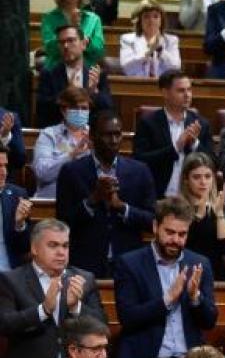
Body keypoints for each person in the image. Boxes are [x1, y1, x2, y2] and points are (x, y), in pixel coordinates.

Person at [113, 197, 217, 358]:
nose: (175, 240)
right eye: (169, 232)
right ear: (155, 227)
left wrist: (195, 298)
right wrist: (167, 299)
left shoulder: (199, 264)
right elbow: (127, 317)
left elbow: (209, 321)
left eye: (182, 234)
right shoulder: (130, 263)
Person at [0, 219, 105, 358]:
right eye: (53, 245)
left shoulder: (85, 279)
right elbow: (5, 324)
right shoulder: (11, 280)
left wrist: (76, 307)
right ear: (34, 248)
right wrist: (43, 310)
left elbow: (102, 327)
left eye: (65, 246)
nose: (61, 252)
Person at [56, 111, 155, 278]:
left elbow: (152, 221)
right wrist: (92, 200)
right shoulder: (71, 172)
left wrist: (122, 207)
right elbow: (62, 223)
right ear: (92, 137)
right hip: (84, 265)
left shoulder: (140, 172)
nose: (114, 140)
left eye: (118, 134)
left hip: (128, 263)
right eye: (108, 135)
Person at [133, 70, 214, 199]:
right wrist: (176, 148)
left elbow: (212, 162)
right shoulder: (148, 123)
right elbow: (140, 160)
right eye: (181, 90)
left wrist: (195, 144)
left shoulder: (201, 124)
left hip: (192, 198)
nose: (187, 95)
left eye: (189, 90)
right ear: (165, 93)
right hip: (158, 196)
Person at [178, 153, 225, 281]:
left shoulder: (224, 209)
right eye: (196, 177)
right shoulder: (177, 208)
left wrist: (219, 213)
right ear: (186, 179)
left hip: (215, 274)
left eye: (207, 176)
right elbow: (180, 245)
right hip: (184, 273)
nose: (203, 182)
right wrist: (198, 217)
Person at [35, 24, 114, 128]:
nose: (66, 46)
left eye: (71, 40)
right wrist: (68, 94)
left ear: (83, 44)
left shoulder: (96, 72)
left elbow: (109, 109)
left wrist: (94, 92)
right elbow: (42, 109)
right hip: (59, 130)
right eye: (61, 42)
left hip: (91, 131)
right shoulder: (48, 73)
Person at [33, 86, 90, 199]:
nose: (80, 112)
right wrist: (71, 156)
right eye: (75, 108)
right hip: (53, 200)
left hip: (86, 200)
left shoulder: (95, 135)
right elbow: (42, 173)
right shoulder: (49, 135)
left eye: (84, 108)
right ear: (63, 110)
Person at [40, 0, 105, 71]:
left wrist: (83, 38)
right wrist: (71, 27)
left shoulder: (93, 19)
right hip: (56, 71)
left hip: (85, 71)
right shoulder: (49, 18)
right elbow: (50, 49)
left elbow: (99, 52)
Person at [119, 0, 181, 78]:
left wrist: (160, 50)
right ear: (139, 21)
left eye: (155, 16)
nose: (151, 20)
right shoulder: (127, 39)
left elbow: (175, 67)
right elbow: (126, 67)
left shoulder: (171, 40)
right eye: (146, 17)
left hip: (164, 83)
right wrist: (149, 52)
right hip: (137, 82)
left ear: (161, 20)